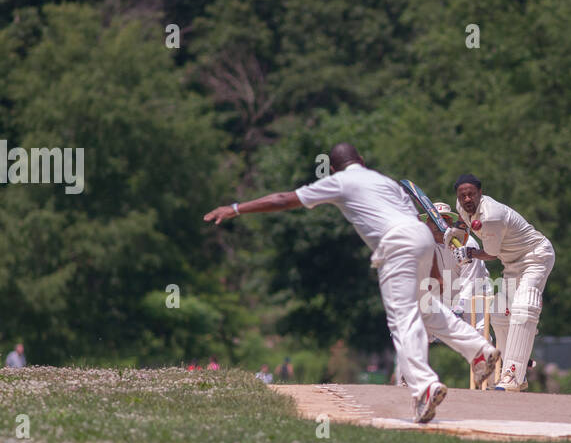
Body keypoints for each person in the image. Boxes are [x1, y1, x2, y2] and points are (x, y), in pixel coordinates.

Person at [204, 143, 493, 422]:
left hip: (395, 246)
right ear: (363, 160)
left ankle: (425, 387)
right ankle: (479, 351)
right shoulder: (387, 183)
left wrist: (236, 208)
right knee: (426, 311)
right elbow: (418, 226)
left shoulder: (340, 181)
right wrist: (434, 271)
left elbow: (284, 199)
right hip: (421, 240)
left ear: (331, 168)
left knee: (402, 319)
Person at [452, 174, 555, 391]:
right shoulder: (461, 206)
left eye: (471, 194)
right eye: (463, 195)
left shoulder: (492, 216)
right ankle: (518, 369)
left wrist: (469, 253)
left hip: (535, 257)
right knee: (499, 313)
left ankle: (513, 375)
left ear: (480, 193)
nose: (467, 199)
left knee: (522, 309)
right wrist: (453, 235)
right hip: (512, 264)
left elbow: (490, 253)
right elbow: (463, 226)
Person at [414, 200, 502, 386]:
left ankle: (494, 383)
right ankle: (412, 379)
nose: (438, 225)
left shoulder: (465, 241)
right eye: (434, 221)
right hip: (443, 292)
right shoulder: (422, 247)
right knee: (418, 329)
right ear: (426, 224)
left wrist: (459, 308)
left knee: (479, 333)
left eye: (443, 220)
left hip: (476, 291)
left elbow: (471, 279)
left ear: (449, 223)